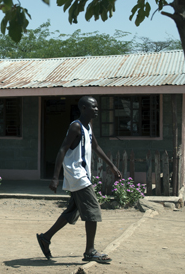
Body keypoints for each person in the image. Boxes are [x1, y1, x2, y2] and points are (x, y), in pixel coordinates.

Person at [36, 96, 122, 264]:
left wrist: (112, 166)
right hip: (76, 174)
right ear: (83, 108)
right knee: (93, 210)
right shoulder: (76, 126)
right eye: (93, 107)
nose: (97, 109)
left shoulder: (88, 126)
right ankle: (90, 251)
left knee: (72, 211)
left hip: (82, 174)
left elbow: (96, 147)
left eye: (97, 107)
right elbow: (62, 149)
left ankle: (45, 238)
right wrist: (55, 177)